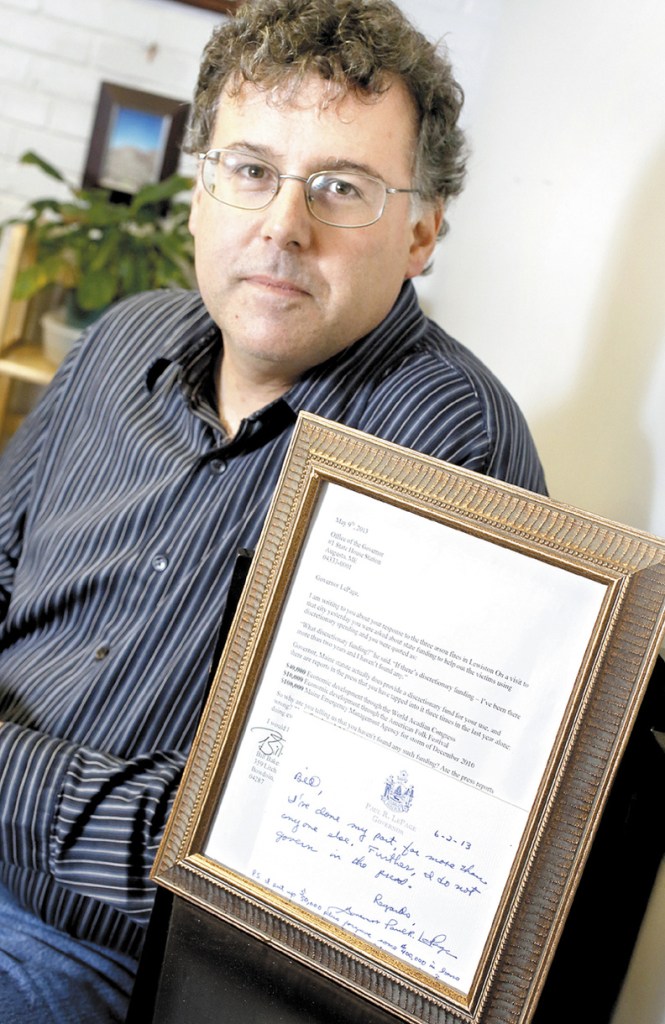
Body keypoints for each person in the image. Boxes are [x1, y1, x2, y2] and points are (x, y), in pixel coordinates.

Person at [0, 0, 546, 1020]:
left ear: (421, 229)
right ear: (201, 189)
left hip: (102, 956)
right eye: (250, 170)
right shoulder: (124, 338)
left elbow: (292, 847)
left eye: (339, 189)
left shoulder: (447, 452)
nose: (281, 226)